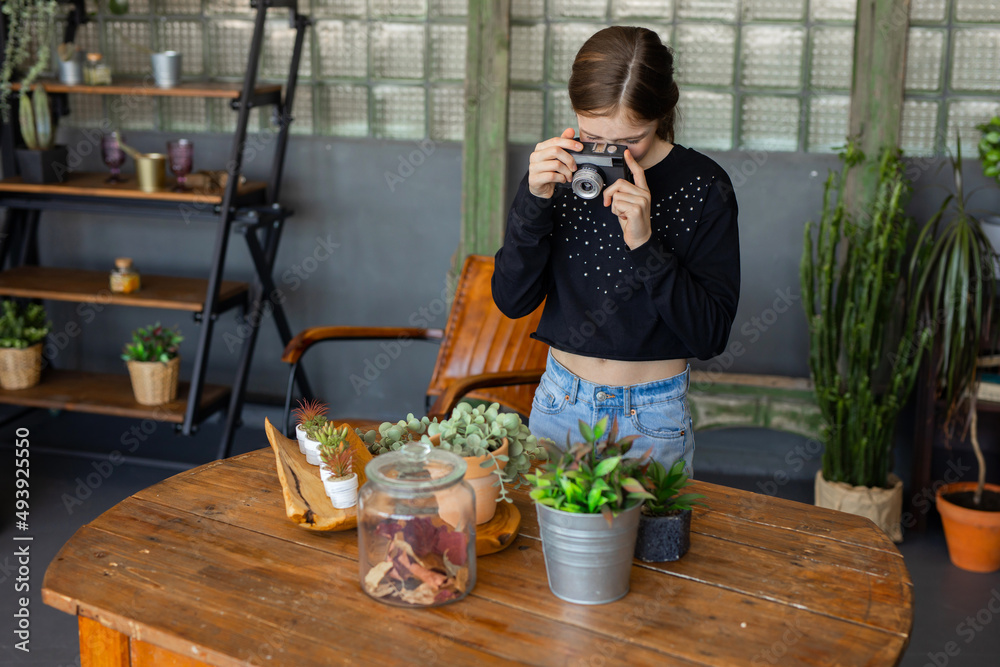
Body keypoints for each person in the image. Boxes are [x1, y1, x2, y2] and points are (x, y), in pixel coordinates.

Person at [491, 26, 740, 473]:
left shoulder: (704, 185)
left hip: (652, 413)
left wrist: (646, 244)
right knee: (546, 544)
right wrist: (533, 199)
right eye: (591, 135)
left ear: (662, 113)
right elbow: (512, 300)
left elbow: (709, 335)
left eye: (629, 142)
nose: (604, 153)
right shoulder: (561, 173)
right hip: (560, 400)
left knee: (651, 545)